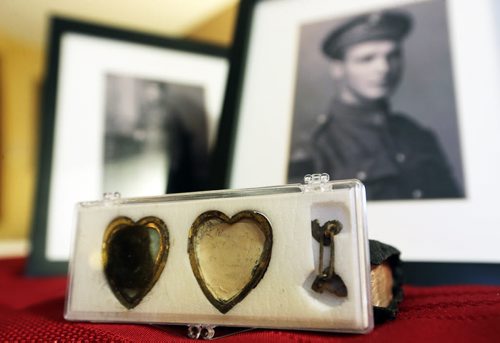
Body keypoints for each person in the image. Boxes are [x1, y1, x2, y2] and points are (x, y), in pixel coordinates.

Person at [288, 10, 462, 200]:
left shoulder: (416, 135)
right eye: (367, 59)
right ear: (338, 68)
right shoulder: (312, 146)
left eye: (392, 55)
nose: (384, 68)